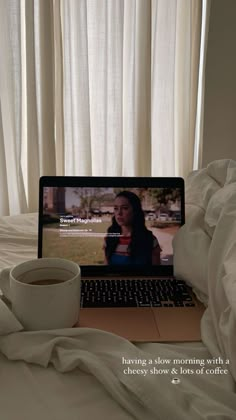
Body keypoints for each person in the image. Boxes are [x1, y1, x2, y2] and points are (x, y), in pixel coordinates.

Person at [104, 191, 161, 265]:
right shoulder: (109, 239)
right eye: (116, 208)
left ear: (135, 210)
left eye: (124, 208)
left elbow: (156, 274)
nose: (119, 213)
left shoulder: (150, 239)